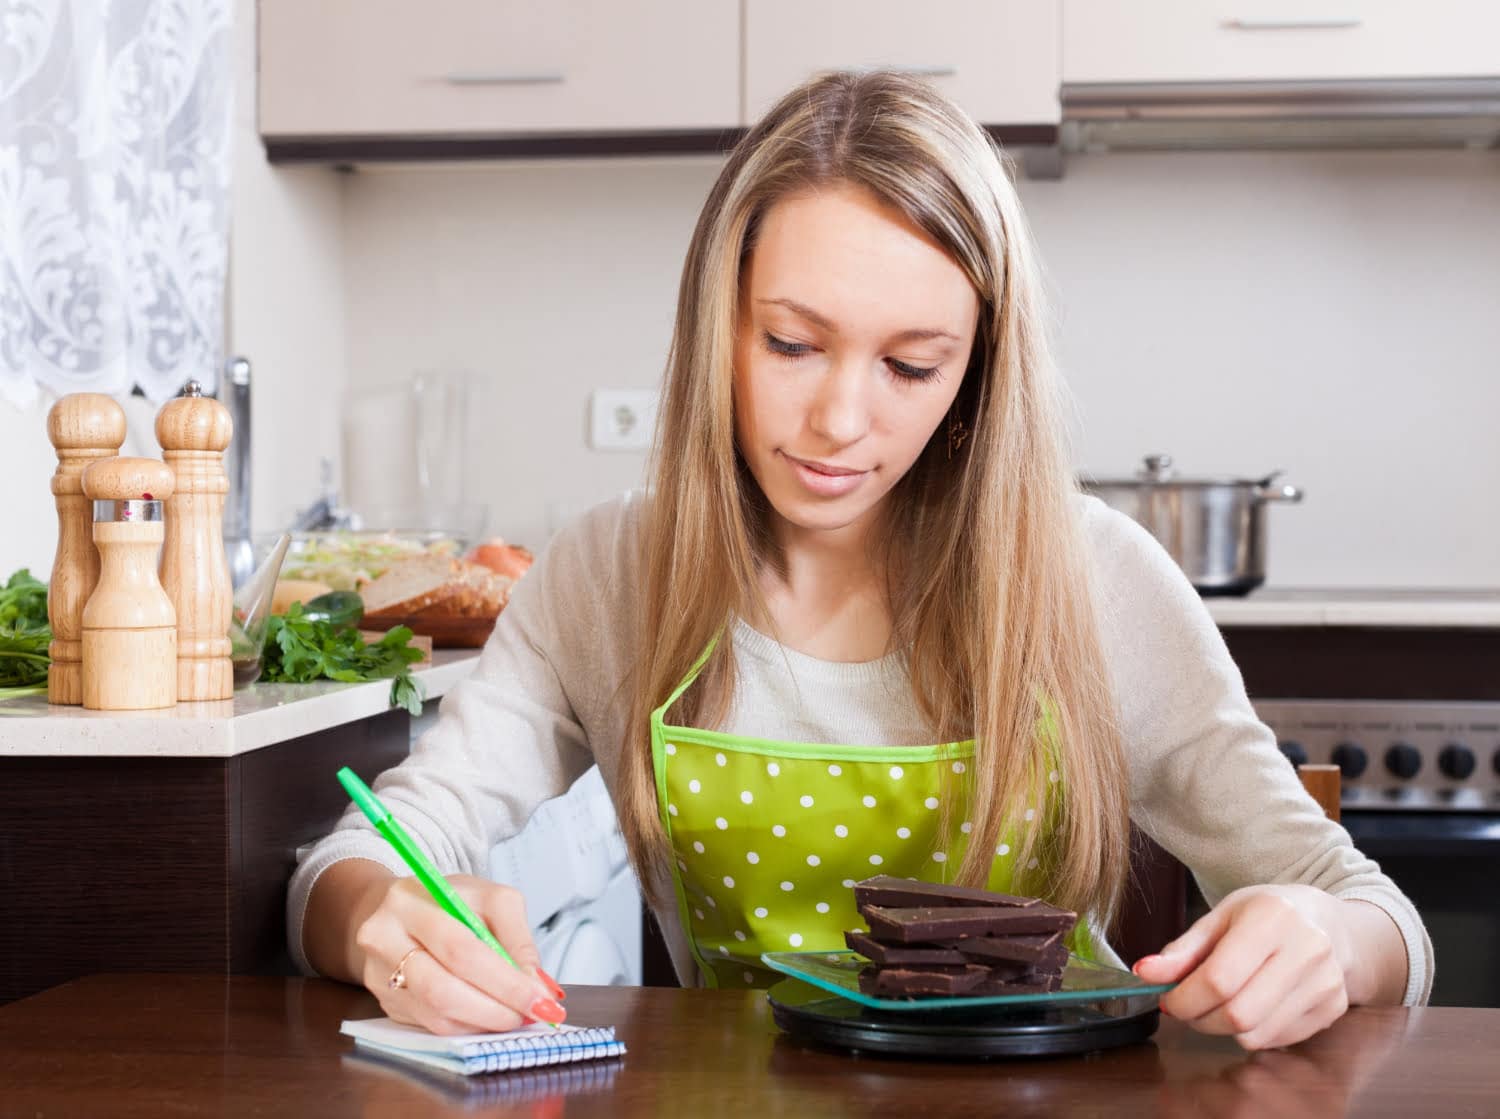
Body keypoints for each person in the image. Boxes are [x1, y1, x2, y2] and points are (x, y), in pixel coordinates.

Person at [289, 70, 1430, 1050]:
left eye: (912, 366)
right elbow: (358, 860)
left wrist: (1330, 941)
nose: (840, 418)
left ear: (977, 373)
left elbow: (1372, 914)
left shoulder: (1093, 581)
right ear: (716, 325)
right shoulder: (611, 577)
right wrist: (374, 924)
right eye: (791, 342)